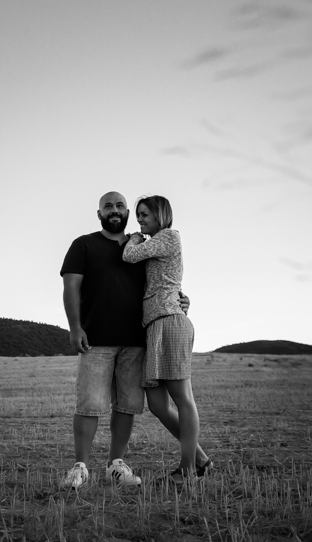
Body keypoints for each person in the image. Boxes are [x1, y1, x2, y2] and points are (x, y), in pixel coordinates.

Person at [59, 191, 189, 491]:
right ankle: (80, 467)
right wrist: (75, 327)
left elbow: (162, 279)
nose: (114, 210)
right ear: (99, 213)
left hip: (137, 340)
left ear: (128, 211)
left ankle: (116, 465)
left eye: (119, 206)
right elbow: (71, 288)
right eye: (108, 206)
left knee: (128, 405)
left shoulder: (144, 246)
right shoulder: (84, 244)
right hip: (97, 338)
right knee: (90, 404)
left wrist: (181, 299)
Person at [122, 195, 211, 486]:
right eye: (138, 216)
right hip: (155, 325)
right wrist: (183, 298)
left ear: (160, 214)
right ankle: (199, 459)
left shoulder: (168, 236)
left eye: (144, 215)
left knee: (182, 398)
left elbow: (129, 255)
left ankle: (187, 471)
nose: (140, 221)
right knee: (158, 404)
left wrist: (133, 239)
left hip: (169, 324)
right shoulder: (159, 243)